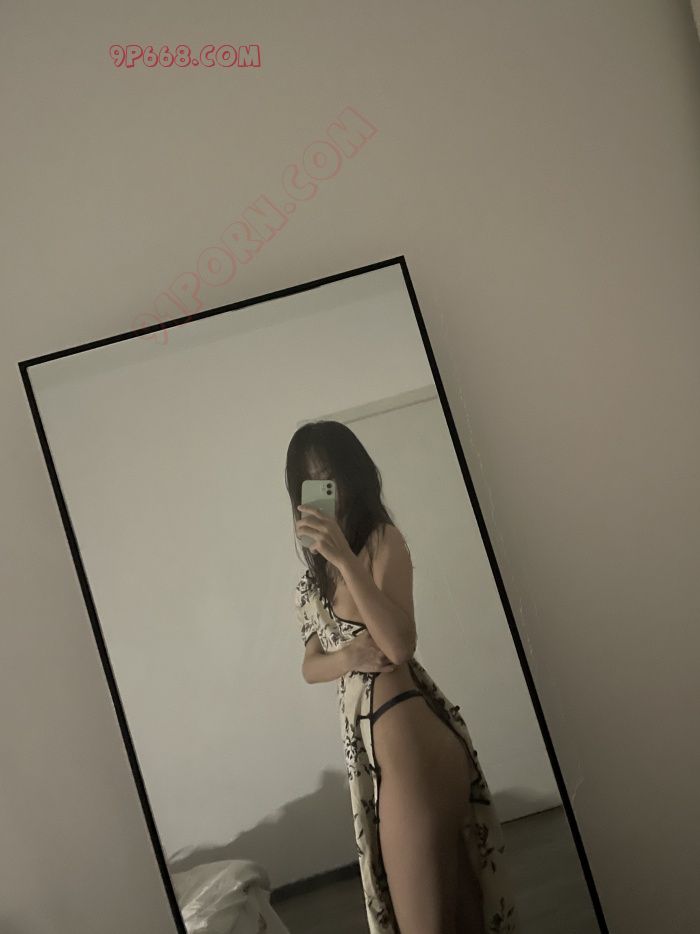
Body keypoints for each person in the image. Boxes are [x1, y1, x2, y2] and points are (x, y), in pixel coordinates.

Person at [286, 420, 518, 934]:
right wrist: (348, 656)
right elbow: (309, 666)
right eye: (310, 480)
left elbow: (397, 646)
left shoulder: (380, 541)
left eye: (329, 473)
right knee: (460, 919)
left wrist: (345, 558)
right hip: (380, 753)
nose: (323, 487)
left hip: (409, 740)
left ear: (351, 474)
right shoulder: (310, 582)